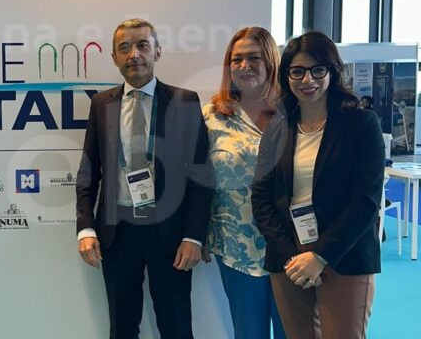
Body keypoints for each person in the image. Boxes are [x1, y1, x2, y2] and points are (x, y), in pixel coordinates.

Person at [76, 18, 214, 339]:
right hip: (118, 232)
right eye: (124, 48)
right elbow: (88, 172)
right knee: (122, 328)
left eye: (142, 45)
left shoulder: (184, 101)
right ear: (114, 57)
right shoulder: (101, 104)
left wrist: (194, 236)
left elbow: (201, 174)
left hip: (170, 234)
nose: (133, 54)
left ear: (157, 51)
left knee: (176, 328)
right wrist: (86, 228)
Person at [251, 31, 384, 339]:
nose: (307, 80)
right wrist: (290, 255)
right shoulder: (277, 128)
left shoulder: (361, 123)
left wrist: (320, 255)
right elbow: (261, 196)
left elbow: (365, 199)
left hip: (344, 252)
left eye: (317, 70)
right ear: (286, 76)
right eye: (297, 71)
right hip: (290, 257)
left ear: (332, 71)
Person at [202, 27, 286, 339]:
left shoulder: (294, 112)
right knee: (249, 333)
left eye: (254, 58)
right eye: (236, 59)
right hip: (237, 245)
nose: (244, 66)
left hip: (292, 245)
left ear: (271, 61)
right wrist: (198, 232)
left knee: (293, 332)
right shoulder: (212, 116)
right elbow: (197, 179)